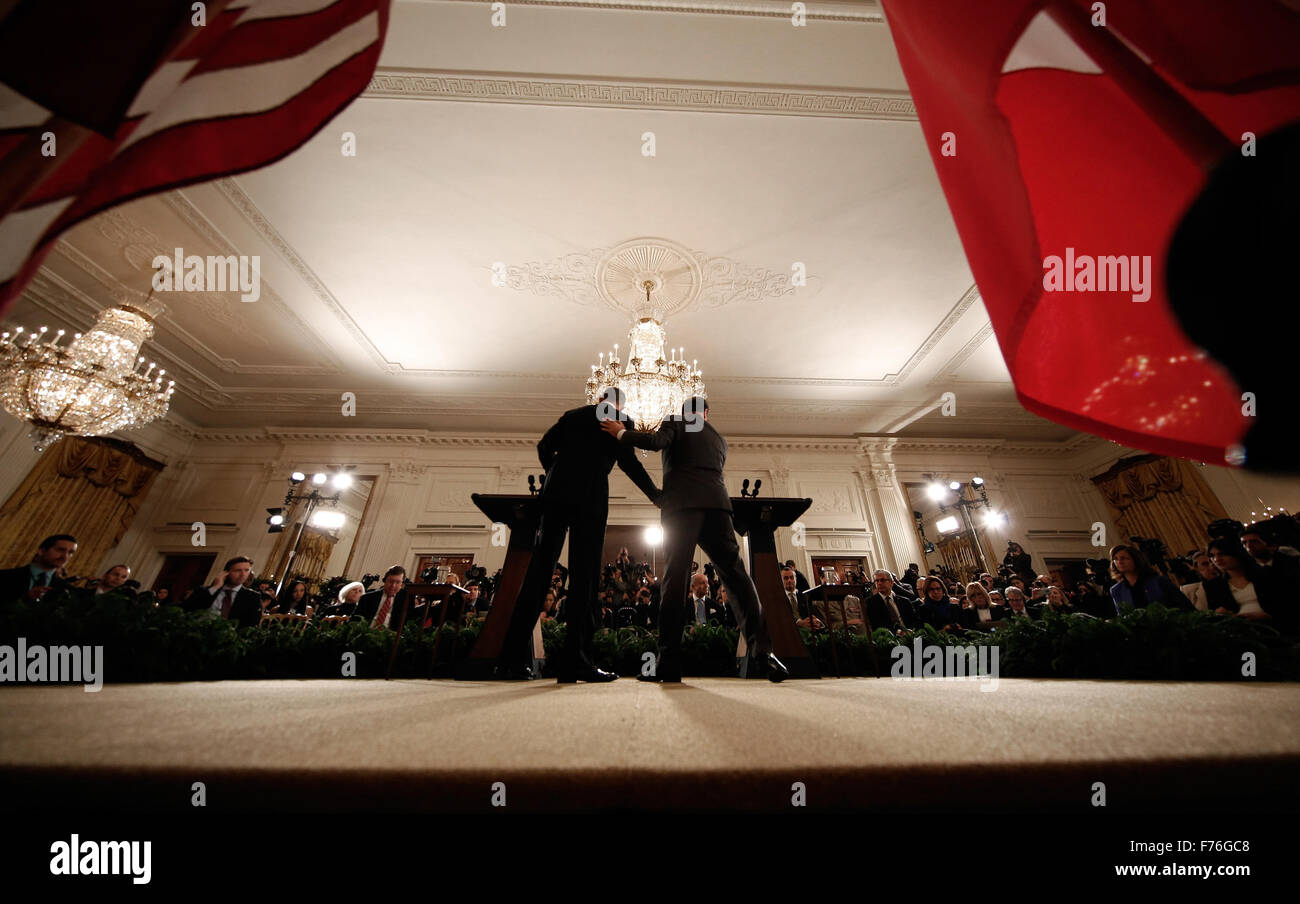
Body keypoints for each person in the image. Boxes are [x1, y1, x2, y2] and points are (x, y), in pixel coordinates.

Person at [603, 396, 787, 682]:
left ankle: (668, 665)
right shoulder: (718, 439)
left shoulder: (676, 422)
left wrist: (621, 433)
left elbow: (655, 443)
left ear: (684, 412)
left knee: (675, 582)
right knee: (737, 578)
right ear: (706, 413)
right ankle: (765, 653)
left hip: (681, 508)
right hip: (718, 507)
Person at [497, 387, 661, 682]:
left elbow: (543, 447)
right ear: (622, 403)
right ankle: (576, 663)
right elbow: (629, 464)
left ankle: (510, 662)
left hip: (555, 496)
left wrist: (557, 474)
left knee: (538, 573)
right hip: (591, 497)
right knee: (584, 578)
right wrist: (655, 495)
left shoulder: (572, 416)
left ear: (599, 399)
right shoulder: (621, 420)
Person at [1205, 537, 1294, 632]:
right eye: (1212, 555)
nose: (1217, 559)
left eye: (1222, 554)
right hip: (1241, 631)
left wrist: (1268, 616)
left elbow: (1288, 603)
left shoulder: (1266, 574)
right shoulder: (1215, 585)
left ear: (1236, 553)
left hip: (1276, 626)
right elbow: (1214, 613)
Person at [182, 556, 262, 628]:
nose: (243, 574)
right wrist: (216, 587)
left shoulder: (253, 597)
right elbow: (188, 609)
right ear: (226, 573)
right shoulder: (205, 591)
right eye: (238, 570)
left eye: (246, 570)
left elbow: (251, 625)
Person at [1108, 544, 1193, 611]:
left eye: (1124, 558)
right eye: (1116, 559)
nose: (1119, 562)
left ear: (1136, 560)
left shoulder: (1159, 581)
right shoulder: (1116, 590)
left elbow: (1184, 605)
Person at [0, 534, 78, 606]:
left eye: (70, 553)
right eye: (60, 550)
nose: (65, 557)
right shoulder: (5, 577)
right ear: (41, 551)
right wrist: (24, 599)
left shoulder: (67, 590)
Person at [782, 565, 821, 630]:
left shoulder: (806, 596)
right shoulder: (778, 598)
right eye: (786, 578)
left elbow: (815, 614)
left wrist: (816, 620)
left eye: (792, 578)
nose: (789, 580)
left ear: (795, 579)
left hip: (809, 631)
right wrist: (798, 622)